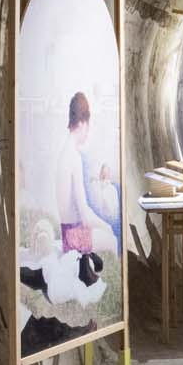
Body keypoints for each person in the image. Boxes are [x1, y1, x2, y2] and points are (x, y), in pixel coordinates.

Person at [56, 92, 115, 254]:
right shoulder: (73, 156)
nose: (88, 132)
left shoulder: (63, 154)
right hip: (74, 238)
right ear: (82, 123)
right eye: (88, 126)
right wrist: (106, 226)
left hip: (66, 234)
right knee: (113, 240)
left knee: (104, 234)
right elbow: (85, 215)